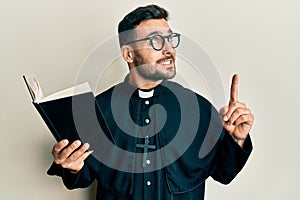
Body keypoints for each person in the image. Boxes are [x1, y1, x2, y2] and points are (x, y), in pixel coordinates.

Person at [47, 4, 254, 200]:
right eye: (155, 41)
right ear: (128, 54)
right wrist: (72, 165)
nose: (169, 50)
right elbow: (82, 176)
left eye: (170, 39)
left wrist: (237, 139)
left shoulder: (198, 108)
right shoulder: (97, 110)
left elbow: (224, 173)